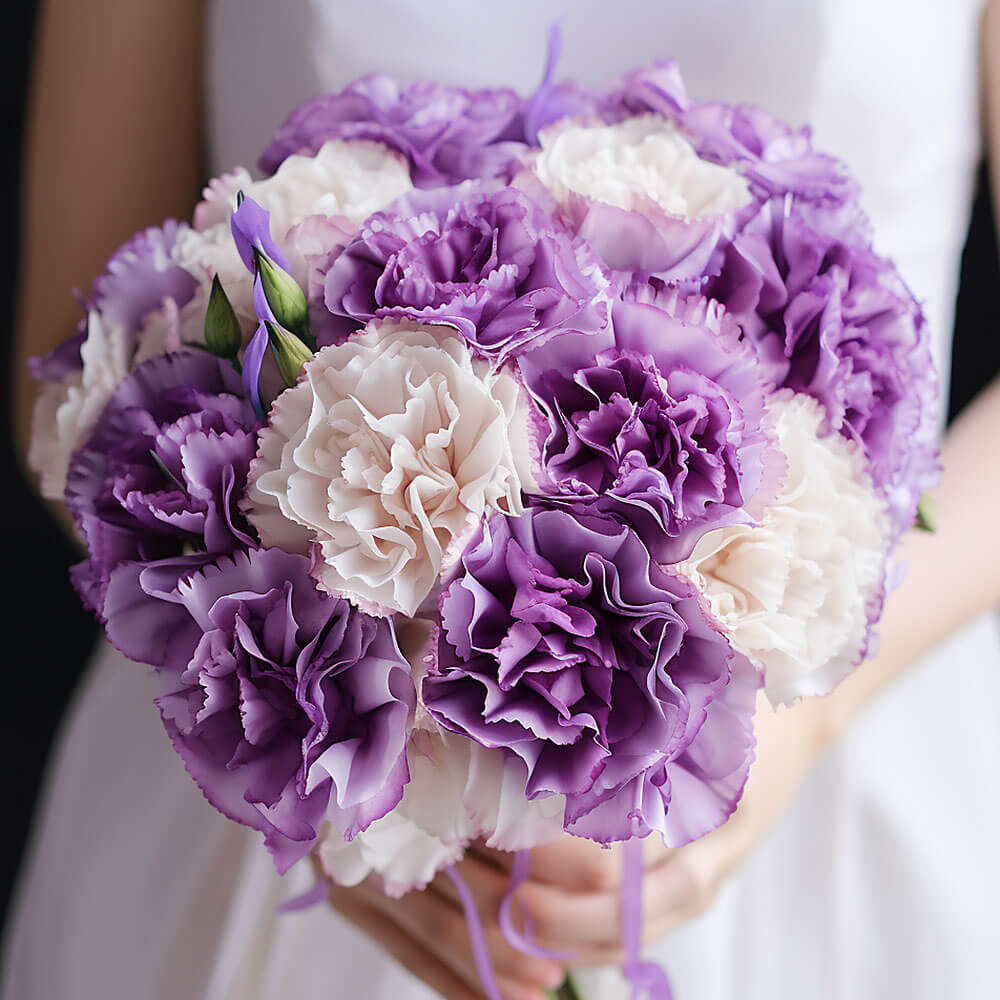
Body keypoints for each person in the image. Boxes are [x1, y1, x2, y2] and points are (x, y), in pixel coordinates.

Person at [5, 1, 1000, 997]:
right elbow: (71, 359)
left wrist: (793, 725)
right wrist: (321, 757)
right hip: (271, 781)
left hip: (840, 777)